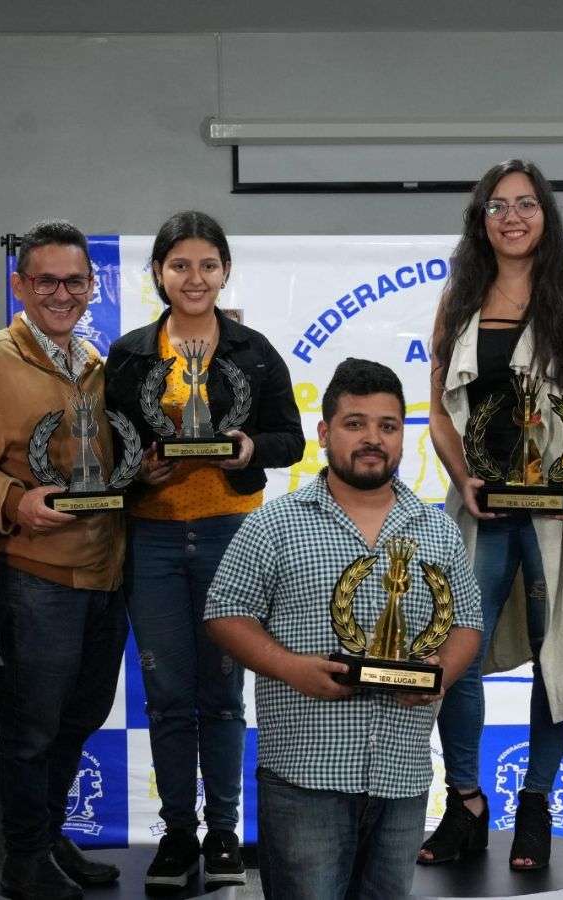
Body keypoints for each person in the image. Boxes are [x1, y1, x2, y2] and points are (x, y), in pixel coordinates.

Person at [204, 359, 482, 900]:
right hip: (304, 777)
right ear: (325, 433)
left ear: (404, 437)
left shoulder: (438, 529)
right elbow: (224, 612)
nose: (372, 439)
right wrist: (292, 669)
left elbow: (467, 622)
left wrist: (437, 677)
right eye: (355, 424)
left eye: (388, 426)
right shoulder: (274, 522)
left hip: (402, 775)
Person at [422, 158, 563, 871]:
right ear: (480, 220)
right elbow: (436, 411)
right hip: (482, 505)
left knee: (560, 652)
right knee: (457, 654)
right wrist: (462, 477)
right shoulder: (460, 296)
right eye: (496, 207)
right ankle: (466, 802)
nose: (512, 218)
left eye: (525, 204)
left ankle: (537, 803)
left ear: (547, 214)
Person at [104, 210, 304, 889]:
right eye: (180, 265)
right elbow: (106, 455)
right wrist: (138, 474)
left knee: (223, 693)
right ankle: (178, 834)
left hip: (232, 536)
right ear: (158, 273)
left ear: (225, 272)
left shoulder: (251, 349)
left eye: (207, 265)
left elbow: (292, 439)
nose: (195, 278)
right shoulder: (130, 355)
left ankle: (223, 834)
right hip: (154, 537)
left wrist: (249, 449)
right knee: (166, 695)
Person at [0, 221, 128, 900]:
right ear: (20, 286)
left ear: (91, 286)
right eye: (46, 280)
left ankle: (47, 840)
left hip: (104, 573)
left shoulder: (97, 365)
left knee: (79, 717)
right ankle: (23, 860)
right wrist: (14, 500)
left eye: (75, 280)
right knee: (32, 729)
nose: (61, 293)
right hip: (34, 575)